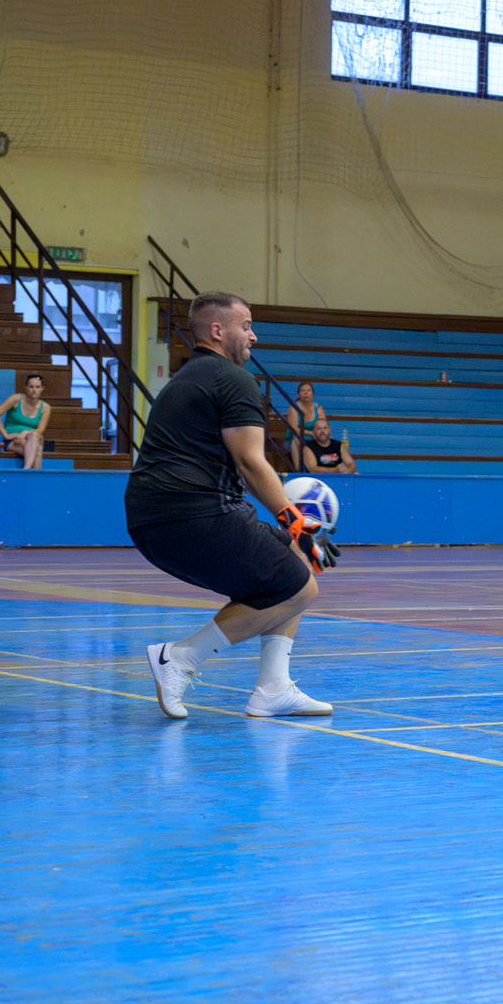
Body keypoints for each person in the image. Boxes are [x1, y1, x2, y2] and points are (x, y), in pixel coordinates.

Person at [126, 292, 341, 721]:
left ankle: (273, 688)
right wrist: (296, 520)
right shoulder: (234, 379)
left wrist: (293, 534)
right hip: (195, 513)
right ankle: (180, 657)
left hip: (151, 521)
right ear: (218, 330)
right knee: (301, 586)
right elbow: (250, 462)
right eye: (246, 326)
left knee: (292, 563)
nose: (253, 336)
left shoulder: (184, 380)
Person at [0, 374, 50, 469]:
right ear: (26, 388)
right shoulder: (16, 399)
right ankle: (31, 475)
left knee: (35, 436)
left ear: (42, 389)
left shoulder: (46, 407)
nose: (34, 390)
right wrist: (6, 435)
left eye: (37, 387)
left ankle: (26, 470)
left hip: (30, 439)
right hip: (13, 441)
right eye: (31, 386)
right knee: (37, 449)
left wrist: (25, 433)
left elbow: (40, 430)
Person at [285, 380, 329, 470]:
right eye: (302, 391)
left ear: (313, 394)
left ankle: (329, 469)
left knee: (328, 440)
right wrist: (311, 433)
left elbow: (323, 424)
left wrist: (319, 434)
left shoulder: (318, 408)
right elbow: (294, 428)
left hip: (314, 437)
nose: (306, 393)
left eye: (308, 390)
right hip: (295, 438)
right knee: (297, 440)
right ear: (298, 395)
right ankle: (300, 470)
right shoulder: (294, 407)